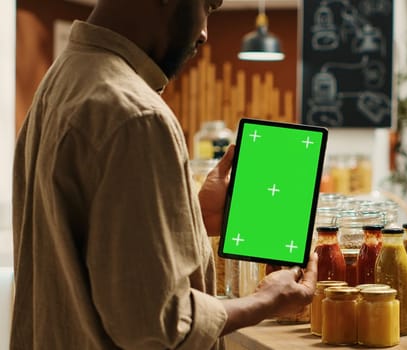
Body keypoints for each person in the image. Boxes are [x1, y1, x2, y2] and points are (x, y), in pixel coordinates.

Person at [11, 0, 318, 349]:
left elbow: (96, 254)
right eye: (207, 6)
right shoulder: (137, 114)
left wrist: (192, 218)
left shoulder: (63, 78)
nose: (203, 33)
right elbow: (159, 325)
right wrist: (268, 300)